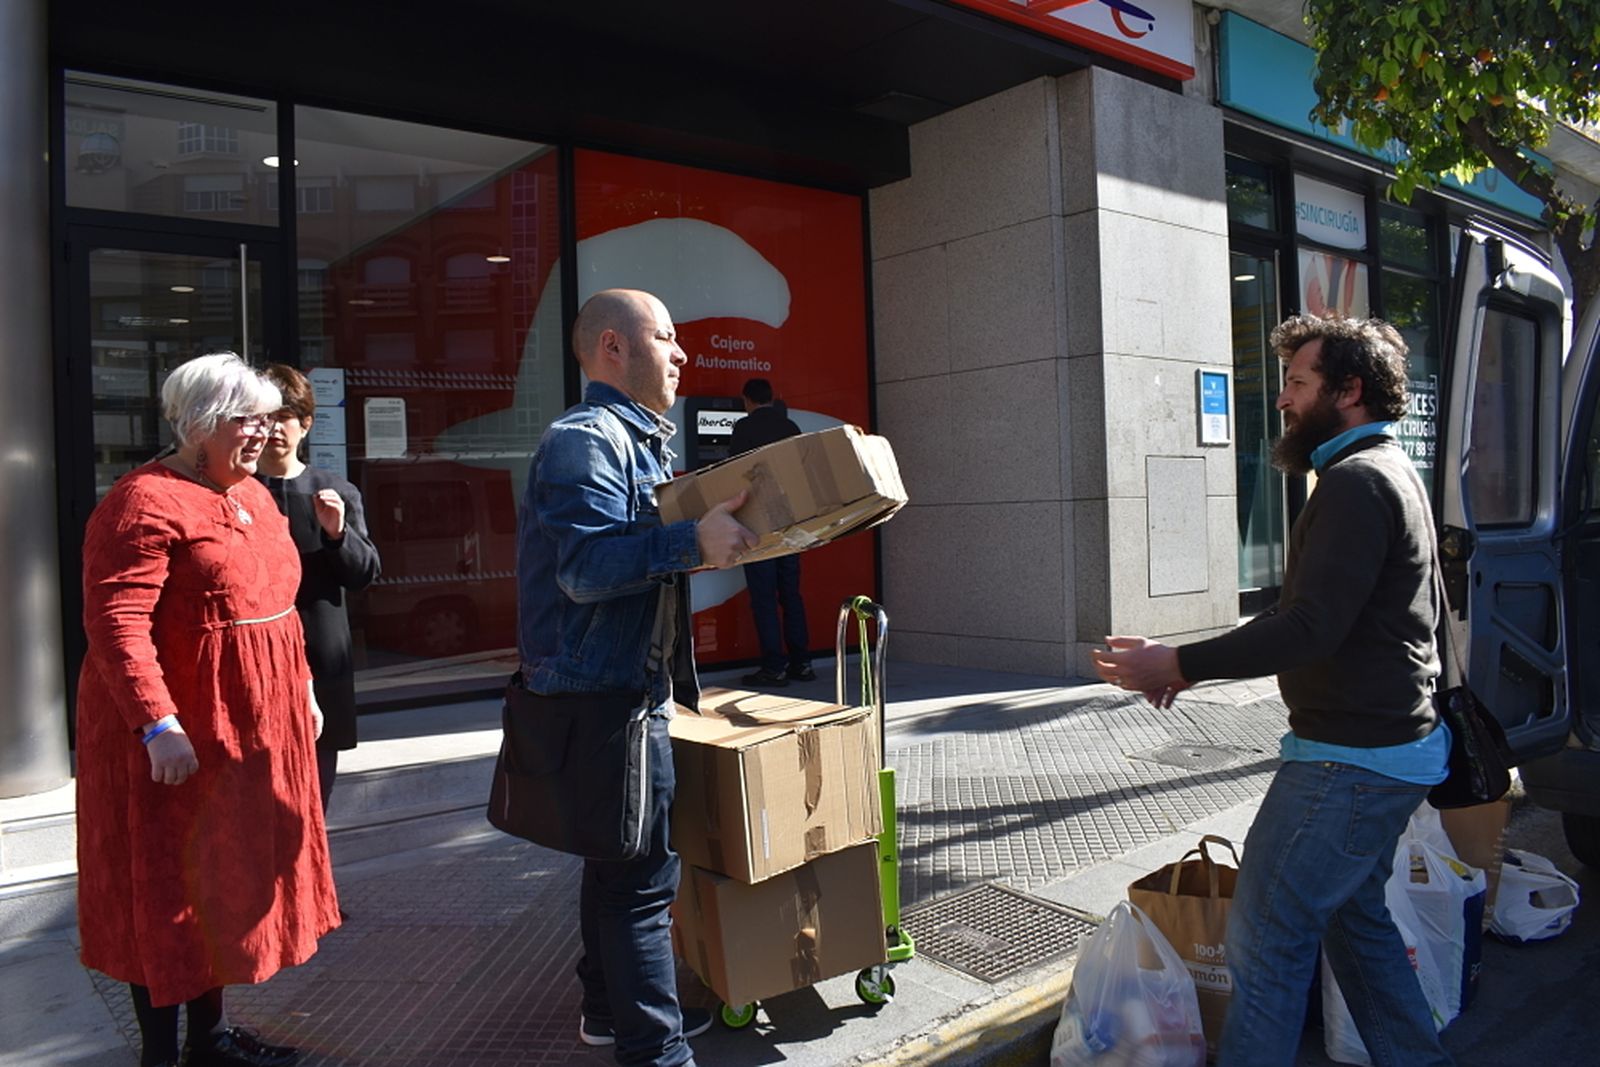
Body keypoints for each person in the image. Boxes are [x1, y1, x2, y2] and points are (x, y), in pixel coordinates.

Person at [1092, 315, 1454, 1067]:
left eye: (1297, 382)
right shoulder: (1382, 468)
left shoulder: (1356, 481)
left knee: (1264, 940)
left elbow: (1310, 627)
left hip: (1349, 762)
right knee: (1355, 924)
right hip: (1384, 751)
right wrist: (1186, 663)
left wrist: (1180, 662)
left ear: (1347, 391)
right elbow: (1320, 617)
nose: (1283, 399)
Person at [75, 352, 340, 1067]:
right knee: (165, 888)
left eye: (268, 419)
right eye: (246, 420)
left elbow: (277, 602)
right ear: (199, 424)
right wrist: (157, 723)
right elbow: (117, 624)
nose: (264, 432)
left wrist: (302, 685)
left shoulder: (253, 493)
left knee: (218, 880)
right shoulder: (141, 502)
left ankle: (210, 1040)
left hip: (245, 727)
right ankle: (162, 1055)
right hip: (175, 732)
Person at [518, 288, 755, 1066]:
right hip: (605, 701)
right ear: (613, 348)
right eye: (666, 336)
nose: (682, 353)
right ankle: (657, 1053)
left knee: (615, 863)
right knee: (643, 885)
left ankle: (605, 1011)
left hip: (618, 691)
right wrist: (691, 541)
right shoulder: (586, 440)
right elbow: (585, 569)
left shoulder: (634, 439)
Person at [257, 364, 382, 812]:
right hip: (259, 652)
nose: (274, 429)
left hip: (321, 649)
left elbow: (364, 574)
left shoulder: (333, 489)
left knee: (314, 791)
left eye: (285, 418)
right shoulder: (235, 490)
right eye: (265, 418)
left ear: (306, 424)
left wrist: (337, 534)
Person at [726, 377, 813, 687]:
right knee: (790, 594)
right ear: (772, 398)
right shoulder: (790, 427)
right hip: (789, 523)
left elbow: (733, 474)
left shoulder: (743, 428)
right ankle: (802, 663)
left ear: (746, 400)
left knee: (764, 597)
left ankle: (774, 667)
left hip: (758, 525)